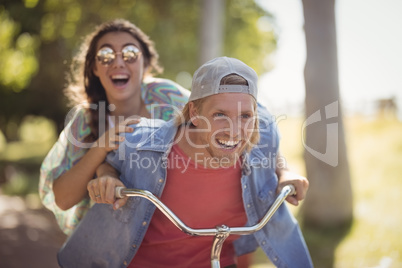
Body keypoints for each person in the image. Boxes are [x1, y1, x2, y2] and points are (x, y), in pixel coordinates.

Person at [57, 57, 313, 268]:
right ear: (194, 113)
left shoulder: (263, 131)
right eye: (220, 115)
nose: (235, 131)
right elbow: (110, 161)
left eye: (245, 115)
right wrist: (107, 176)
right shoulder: (143, 142)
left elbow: (271, 150)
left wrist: (284, 172)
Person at [39, 19, 189, 236]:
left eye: (130, 54)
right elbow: (62, 199)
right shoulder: (85, 119)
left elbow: (207, 119)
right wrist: (100, 149)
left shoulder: (167, 97)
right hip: (113, 238)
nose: (118, 63)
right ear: (95, 67)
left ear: (145, 64)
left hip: (172, 229)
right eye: (106, 56)